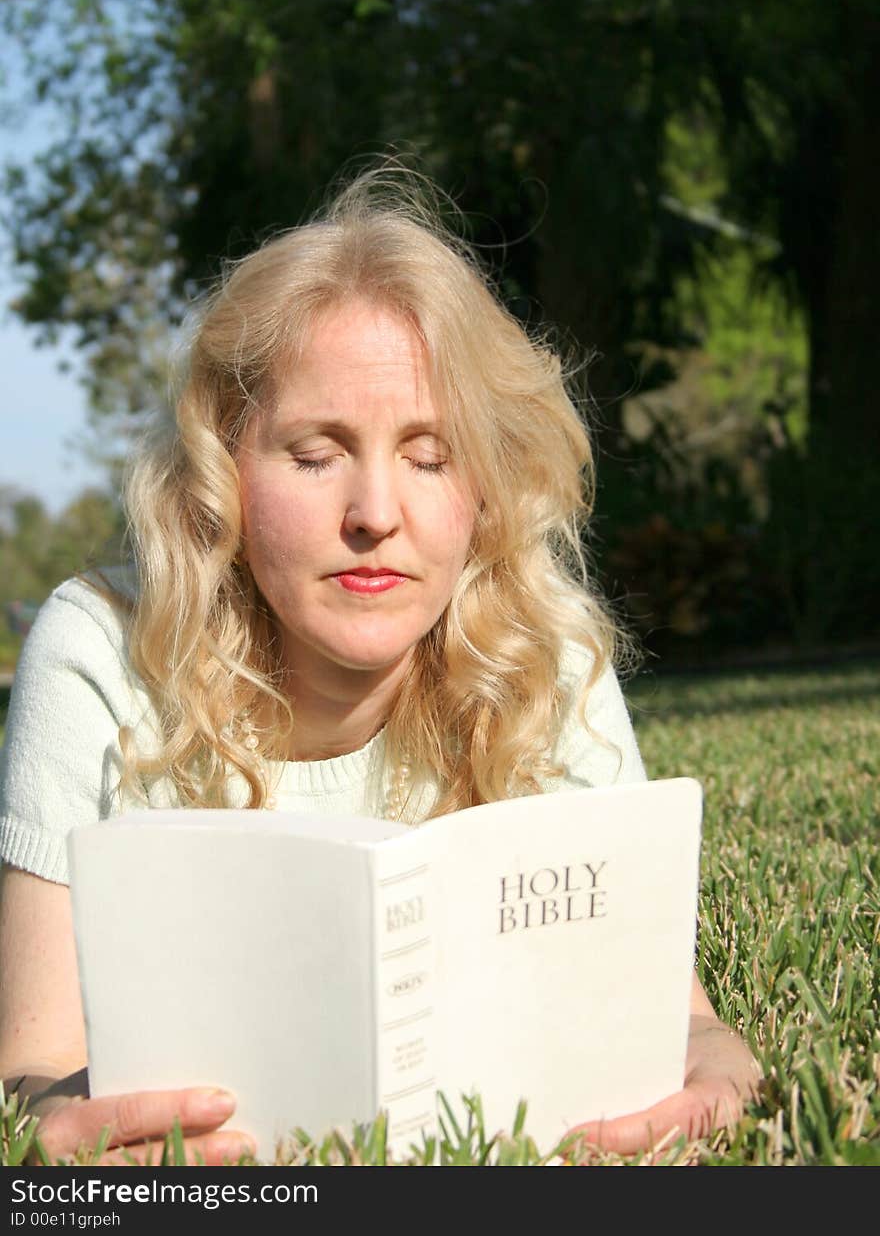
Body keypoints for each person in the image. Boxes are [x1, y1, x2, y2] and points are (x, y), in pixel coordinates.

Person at [0, 166, 760, 1165]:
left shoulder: (545, 650)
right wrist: (70, 1133)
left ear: (485, 488)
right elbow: (33, 1071)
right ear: (222, 470)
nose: (374, 513)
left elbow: (679, 1020)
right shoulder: (101, 649)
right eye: (315, 454)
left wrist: (717, 1058)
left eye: (429, 456)